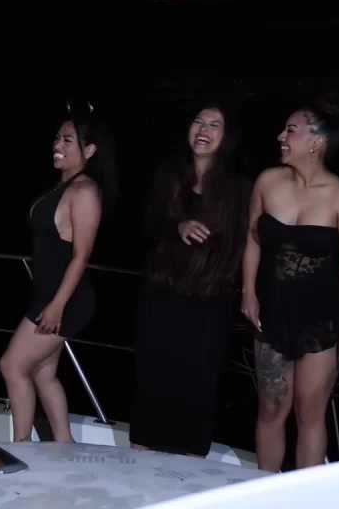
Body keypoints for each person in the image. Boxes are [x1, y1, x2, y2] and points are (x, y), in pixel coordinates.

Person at [241, 95, 339, 471]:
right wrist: (248, 291)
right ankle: (265, 487)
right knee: (270, 408)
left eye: (290, 130)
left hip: (321, 321)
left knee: (310, 413)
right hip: (272, 314)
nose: (281, 137)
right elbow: (252, 240)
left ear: (316, 141)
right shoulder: (268, 181)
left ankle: (306, 494)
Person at [130, 100, 251, 457]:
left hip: (210, 298)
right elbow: (145, 223)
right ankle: (139, 458)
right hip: (161, 292)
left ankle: (193, 467)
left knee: (198, 383)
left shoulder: (239, 187)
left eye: (214, 125)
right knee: (151, 377)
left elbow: (248, 241)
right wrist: (177, 226)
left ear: (227, 136)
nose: (203, 130)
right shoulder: (170, 174)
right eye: (199, 122)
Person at [0, 105, 116, 443]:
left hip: (66, 299)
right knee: (43, 373)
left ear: (89, 150)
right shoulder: (63, 186)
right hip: (48, 294)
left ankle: (22, 446)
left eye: (68, 140)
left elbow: (81, 256)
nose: (57, 145)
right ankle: (64, 445)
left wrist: (56, 306)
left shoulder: (84, 192)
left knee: (12, 366)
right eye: (57, 138)